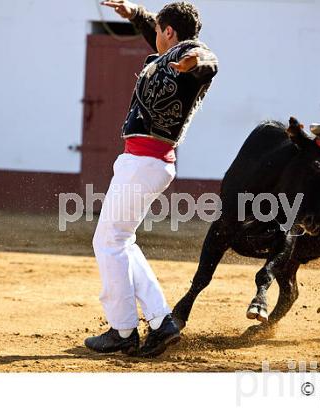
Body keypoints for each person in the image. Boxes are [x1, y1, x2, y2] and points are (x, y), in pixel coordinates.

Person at [85, 0, 218, 358]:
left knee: (108, 241)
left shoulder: (192, 55)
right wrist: (137, 14)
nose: (155, 36)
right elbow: (161, 39)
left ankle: (124, 329)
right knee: (120, 241)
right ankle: (161, 322)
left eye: (159, 30)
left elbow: (209, 63)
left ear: (170, 32)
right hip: (145, 160)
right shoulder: (172, 53)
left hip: (145, 160)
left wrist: (196, 63)